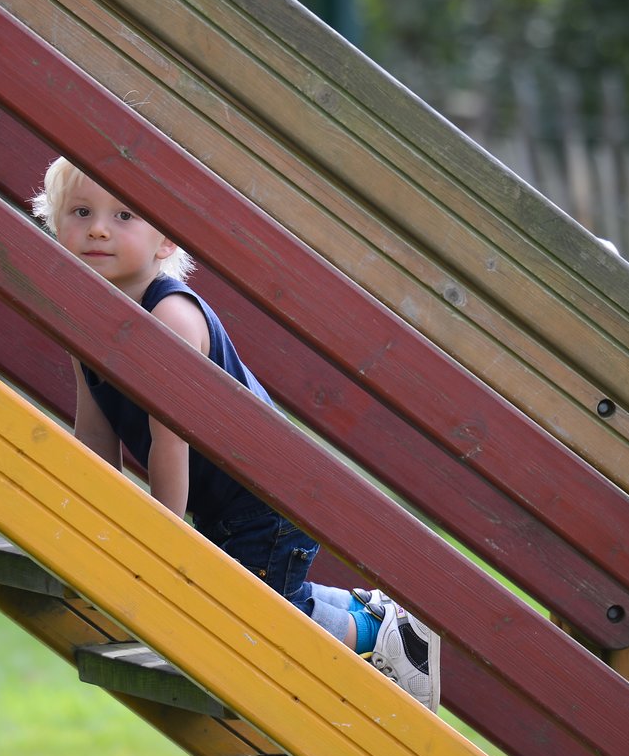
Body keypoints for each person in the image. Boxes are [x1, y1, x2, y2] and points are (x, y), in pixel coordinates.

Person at [32, 157, 440, 712]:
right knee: (264, 596)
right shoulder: (86, 317)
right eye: (81, 212)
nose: (99, 228)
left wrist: (163, 544)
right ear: (56, 224)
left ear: (164, 242)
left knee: (257, 613)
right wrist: (94, 514)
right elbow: (94, 428)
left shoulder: (171, 319)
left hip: (267, 492)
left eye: (124, 215)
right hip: (224, 500)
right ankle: (372, 616)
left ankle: (380, 636)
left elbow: (169, 439)